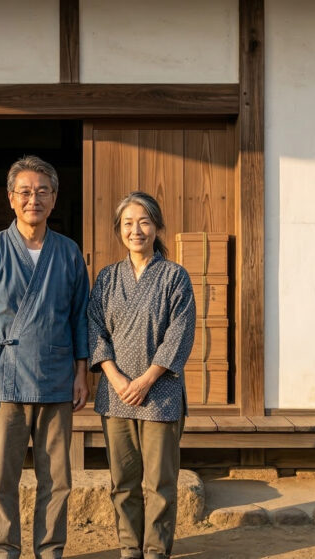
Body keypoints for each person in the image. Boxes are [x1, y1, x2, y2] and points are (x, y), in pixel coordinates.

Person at [0, 155, 90, 559]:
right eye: (26, 192)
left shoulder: (68, 252)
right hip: (5, 379)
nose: (34, 199)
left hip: (56, 378)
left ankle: (50, 550)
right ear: (11, 198)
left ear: (54, 199)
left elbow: (80, 318)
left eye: (42, 192)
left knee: (58, 480)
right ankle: (3, 550)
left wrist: (81, 374)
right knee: (1, 477)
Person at [87, 191, 196, 559]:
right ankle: (129, 548)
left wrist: (147, 379)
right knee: (123, 480)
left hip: (160, 394)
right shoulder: (107, 278)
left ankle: (155, 550)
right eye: (128, 223)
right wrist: (115, 378)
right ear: (119, 229)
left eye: (144, 222)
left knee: (160, 482)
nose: (136, 230)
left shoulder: (175, 276)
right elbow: (94, 328)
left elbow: (179, 334)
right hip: (116, 393)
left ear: (157, 227)